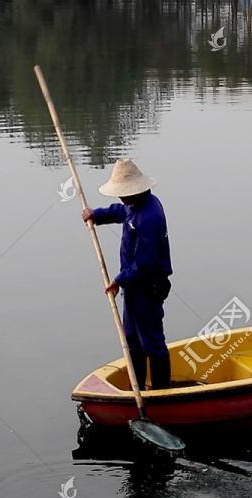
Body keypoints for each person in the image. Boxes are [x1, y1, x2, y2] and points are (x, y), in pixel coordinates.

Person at [82, 159, 173, 390]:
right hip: (132, 287)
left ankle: (162, 391)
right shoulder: (134, 205)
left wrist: (118, 280)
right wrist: (97, 215)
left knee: (152, 342)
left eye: (124, 194)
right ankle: (138, 388)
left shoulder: (149, 216)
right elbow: (120, 211)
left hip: (148, 286)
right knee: (133, 340)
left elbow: (144, 263)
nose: (121, 198)